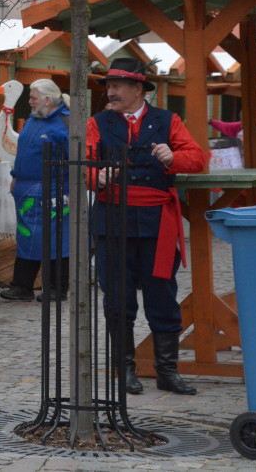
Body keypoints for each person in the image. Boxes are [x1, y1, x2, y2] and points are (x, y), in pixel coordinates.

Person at [87, 58, 206, 396]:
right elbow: (82, 165)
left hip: (158, 224)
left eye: (117, 86)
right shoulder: (97, 123)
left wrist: (174, 157)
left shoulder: (168, 120)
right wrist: (97, 176)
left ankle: (168, 372)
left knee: (162, 297)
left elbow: (197, 158)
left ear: (138, 89)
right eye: (108, 86)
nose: (110, 92)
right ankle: (123, 370)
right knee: (117, 298)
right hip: (113, 221)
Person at [1, 79, 71, 303]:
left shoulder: (65, 123)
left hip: (54, 192)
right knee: (27, 237)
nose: (29, 101)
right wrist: (15, 177)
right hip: (26, 190)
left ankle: (55, 289)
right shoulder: (32, 121)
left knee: (55, 239)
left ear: (48, 100)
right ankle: (22, 287)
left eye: (34, 97)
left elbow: (74, 159)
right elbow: (22, 153)